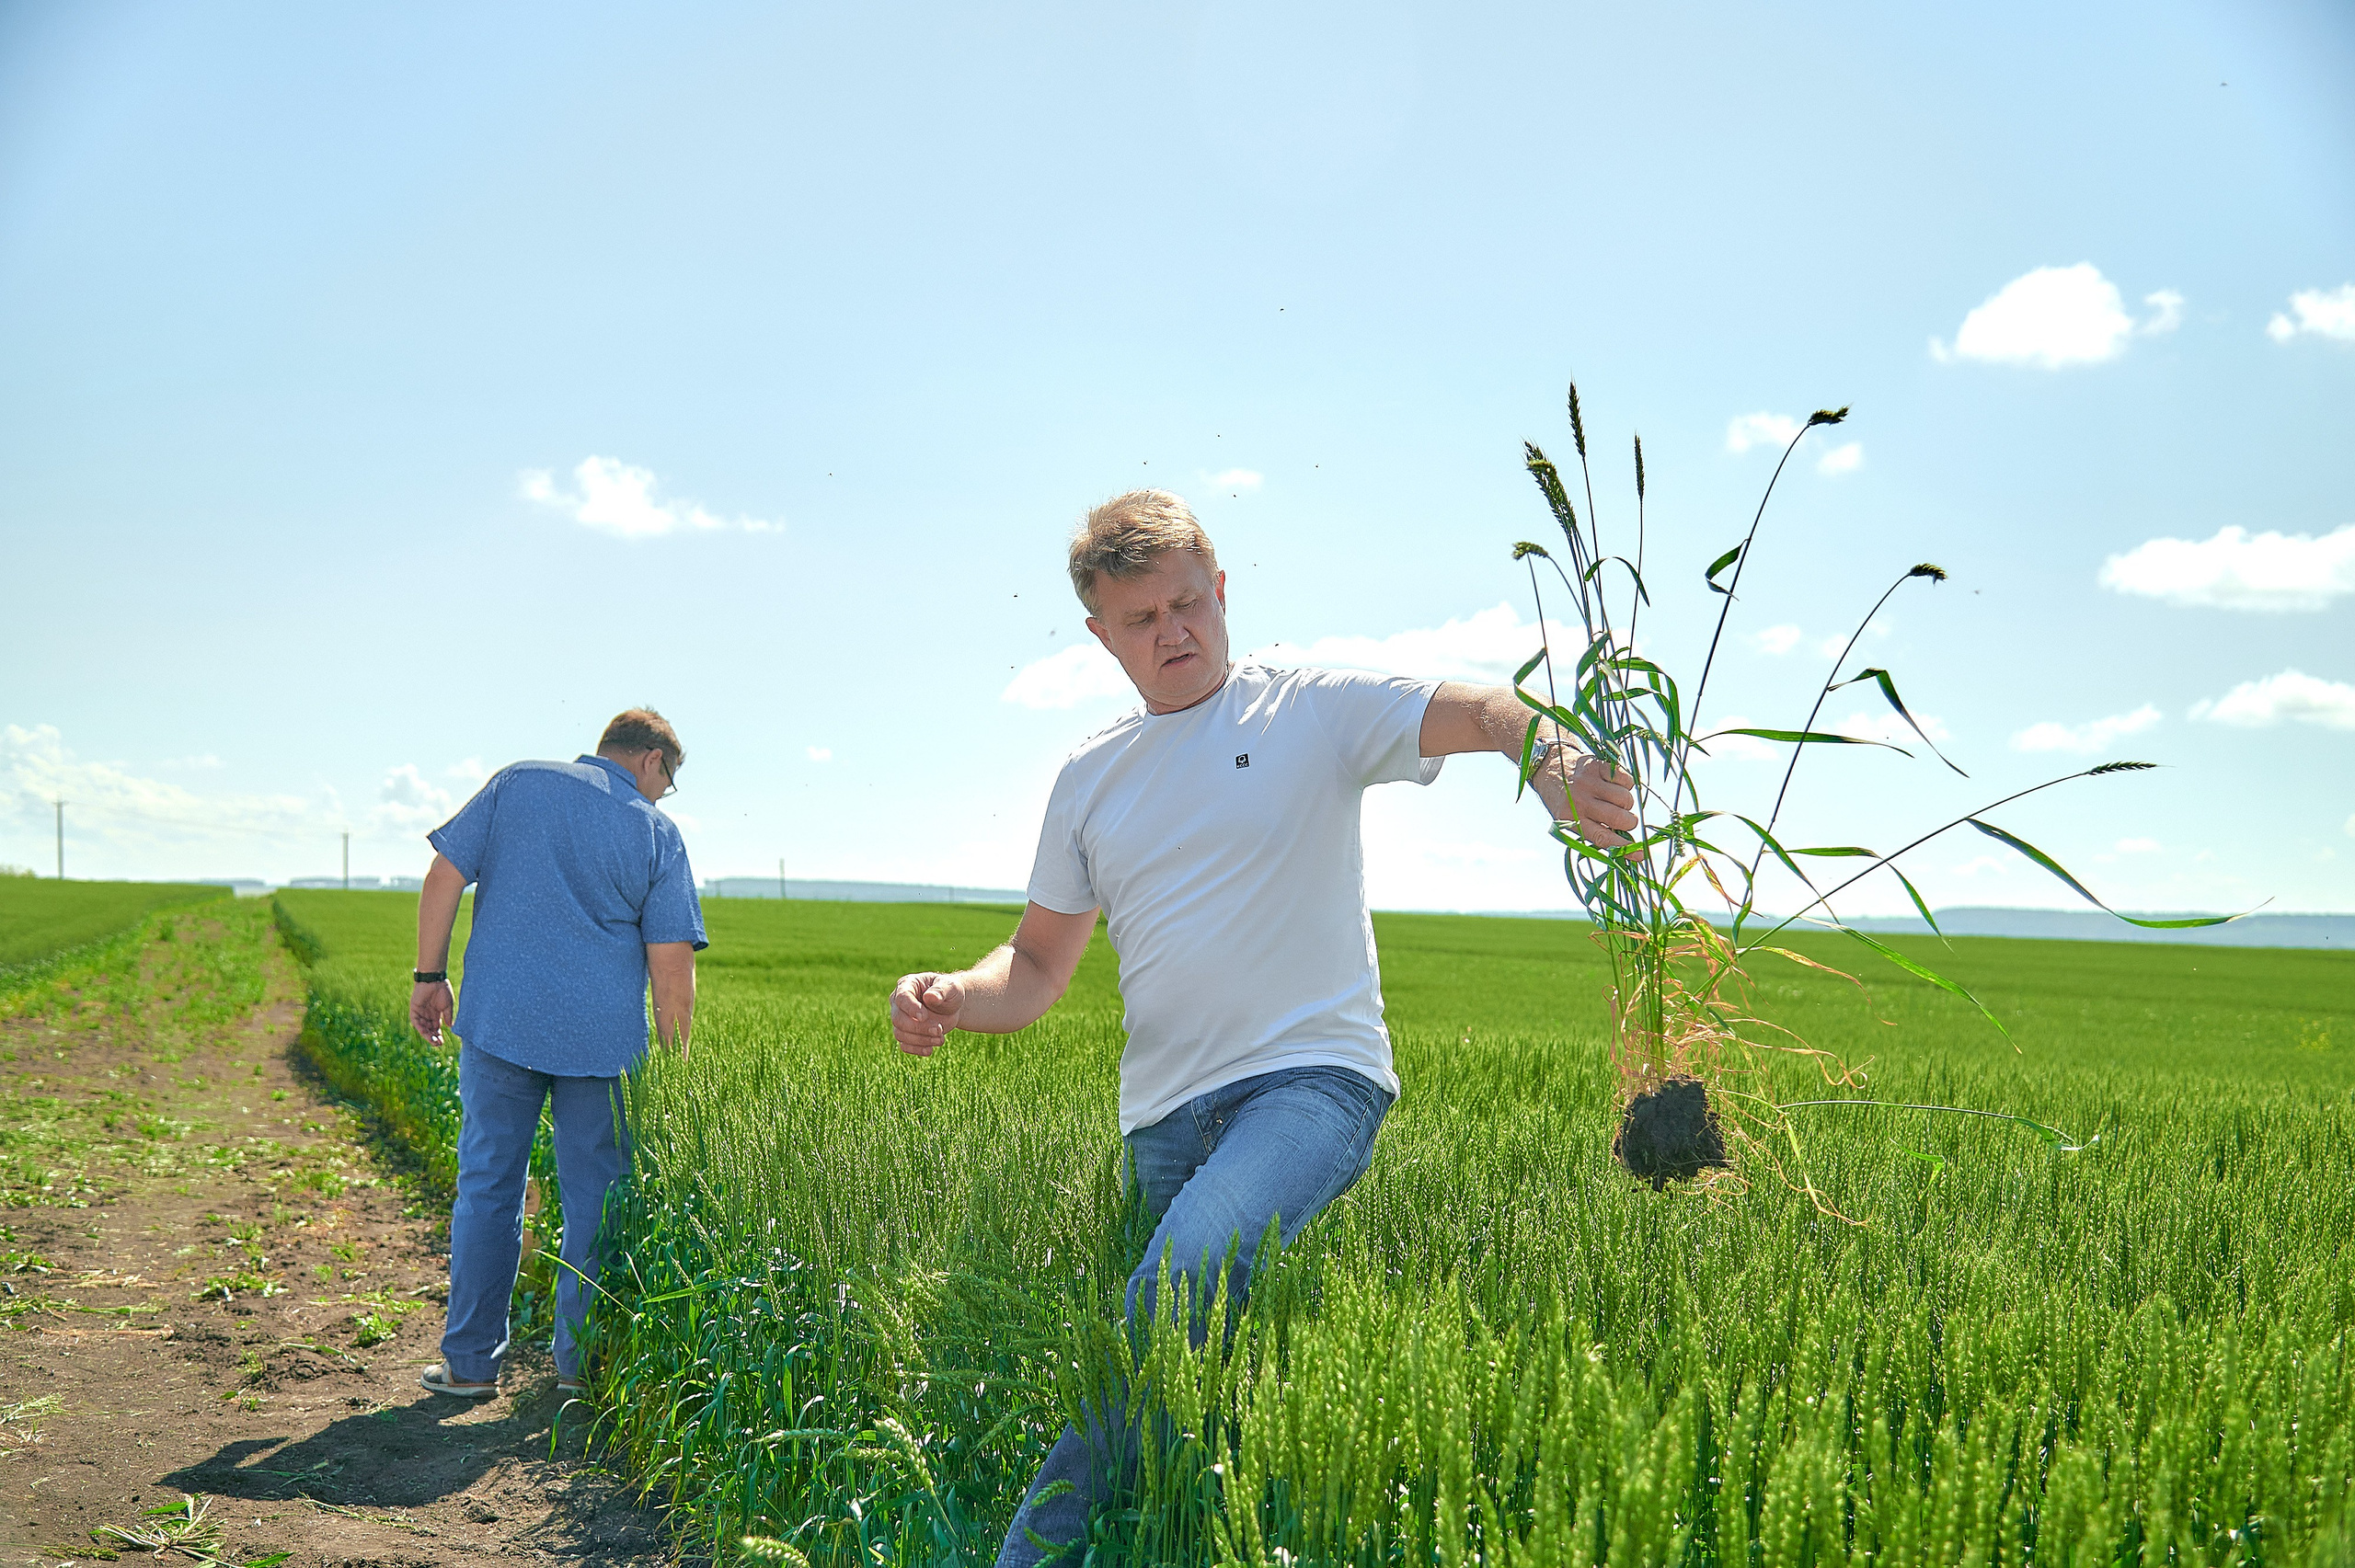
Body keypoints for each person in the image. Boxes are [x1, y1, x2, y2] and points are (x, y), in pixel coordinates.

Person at [887, 491, 1637, 1565]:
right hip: (1161, 1124)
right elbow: (1041, 964)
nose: (1173, 631)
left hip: (1309, 1086)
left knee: (1168, 1300)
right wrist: (957, 993)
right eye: (1141, 620)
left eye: (1188, 603)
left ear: (1222, 591)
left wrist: (1553, 761)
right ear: (1100, 635)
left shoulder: (1309, 707)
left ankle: (1030, 1552)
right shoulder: (1089, 778)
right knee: (1195, 1376)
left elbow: (1477, 709)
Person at [409, 708, 706, 1400]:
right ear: (652, 760)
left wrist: (430, 977)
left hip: (499, 1026)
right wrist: (677, 1071)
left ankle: (472, 1365)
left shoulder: (516, 783)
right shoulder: (657, 832)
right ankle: (579, 1370)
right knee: (596, 1204)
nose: (662, 794)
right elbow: (671, 974)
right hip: (602, 1053)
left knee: (487, 1187)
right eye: (668, 780)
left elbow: (443, 877)